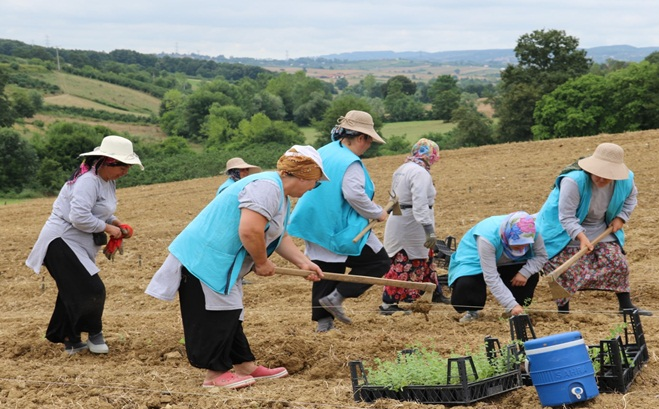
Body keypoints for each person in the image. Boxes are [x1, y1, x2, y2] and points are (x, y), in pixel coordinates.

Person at [145, 145, 328, 389]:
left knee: (231, 312)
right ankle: (215, 374)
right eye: (315, 183)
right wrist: (261, 262)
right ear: (303, 176)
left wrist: (304, 263)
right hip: (205, 259)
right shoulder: (267, 187)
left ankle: (245, 365)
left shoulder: (279, 195)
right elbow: (250, 230)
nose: (312, 188)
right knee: (217, 314)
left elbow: (278, 236)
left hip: (222, 262)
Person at [26, 135, 143, 355]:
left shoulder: (107, 180)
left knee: (71, 290)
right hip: (61, 241)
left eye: (128, 166)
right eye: (123, 165)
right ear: (108, 161)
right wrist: (109, 229)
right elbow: (79, 217)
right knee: (92, 289)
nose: (126, 170)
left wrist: (115, 222)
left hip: (77, 243)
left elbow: (99, 210)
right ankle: (94, 333)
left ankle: (71, 340)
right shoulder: (88, 181)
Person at [288, 110, 391, 332]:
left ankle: (324, 324)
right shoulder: (350, 161)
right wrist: (377, 213)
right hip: (336, 225)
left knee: (325, 267)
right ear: (362, 137)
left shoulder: (325, 151)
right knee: (378, 262)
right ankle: (337, 296)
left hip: (314, 221)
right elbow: (354, 194)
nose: (369, 145)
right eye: (370, 140)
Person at [536, 142, 652, 316]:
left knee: (617, 263)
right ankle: (563, 311)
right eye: (598, 174)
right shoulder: (573, 181)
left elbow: (630, 199)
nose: (601, 179)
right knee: (563, 268)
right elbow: (566, 216)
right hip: (562, 229)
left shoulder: (626, 181)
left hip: (600, 226)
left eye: (607, 175)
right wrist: (581, 238)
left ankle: (626, 306)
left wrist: (621, 218)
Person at [380, 138, 446, 315]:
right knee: (404, 261)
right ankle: (388, 304)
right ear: (429, 155)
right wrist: (429, 230)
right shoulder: (420, 173)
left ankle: (433, 292)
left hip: (401, 218)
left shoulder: (402, 169)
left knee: (426, 258)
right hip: (411, 222)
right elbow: (420, 204)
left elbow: (393, 199)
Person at [448, 212, 547, 323]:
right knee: (467, 284)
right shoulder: (487, 238)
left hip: (509, 262)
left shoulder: (532, 231)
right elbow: (491, 276)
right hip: (476, 261)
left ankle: (515, 311)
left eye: (525, 245)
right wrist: (511, 304)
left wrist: (525, 272)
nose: (522, 248)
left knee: (531, 276)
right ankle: (472, 312)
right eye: (517, 245)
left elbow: (541, 256)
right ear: (506, 236)